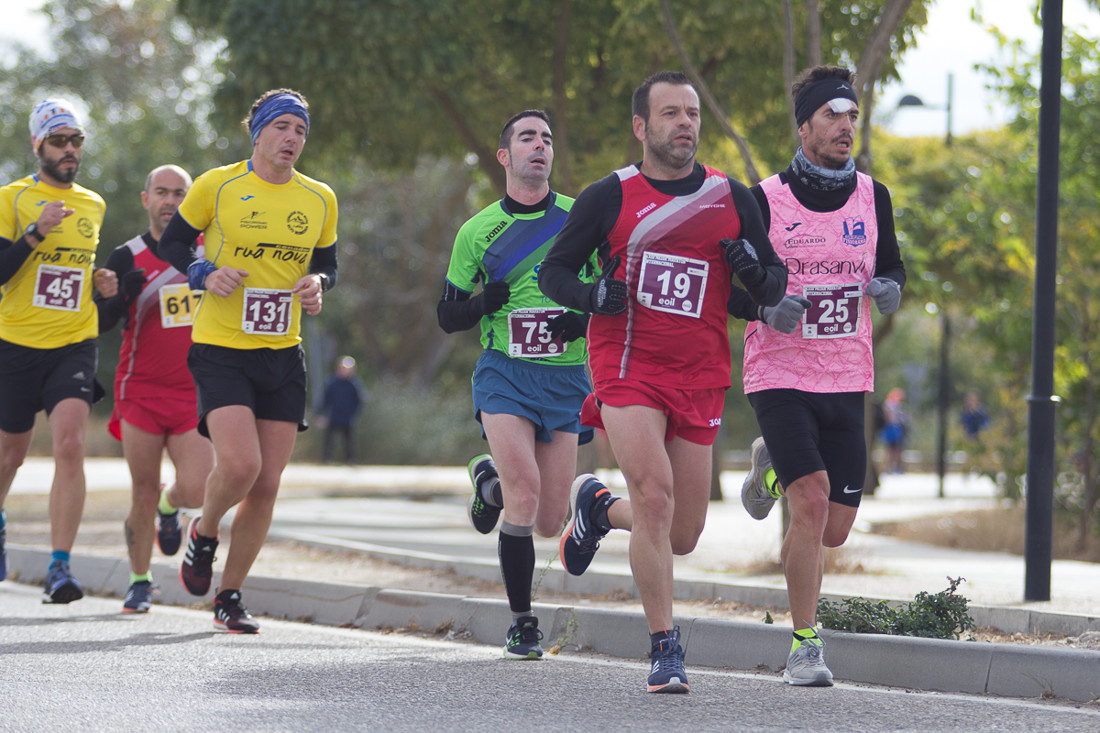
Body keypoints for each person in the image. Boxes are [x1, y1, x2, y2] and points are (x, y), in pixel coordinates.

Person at [539, 72, 786, 692]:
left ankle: (596, 508)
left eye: (693, 113)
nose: (686, 123)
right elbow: (555, 273)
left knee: (681, 532)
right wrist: (593, 294)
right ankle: (664, 648)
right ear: (641, 127)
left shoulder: (733, 197)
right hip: (627, 365)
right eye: (671, 113)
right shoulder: (610, 196)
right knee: (654, 496)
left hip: (700, 373)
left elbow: (774, 289)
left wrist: (755, 271)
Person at [731, 65, 906, 686]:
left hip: (846, 374)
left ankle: (770, 464)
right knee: (808, 506)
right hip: (779, 371)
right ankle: (805, 645)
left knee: (833, 527)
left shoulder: (873, 196)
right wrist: (763, 306)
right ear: (803, 126)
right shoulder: (763, 199)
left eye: (852, 115)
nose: (846, 126)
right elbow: (730, 290)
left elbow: (891, 266)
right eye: (832, 115)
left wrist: (890, 288)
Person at [159, 88, 338, 633]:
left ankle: (230, 596)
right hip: (221, 349)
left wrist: (317, 284)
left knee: (267, 484)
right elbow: (173, 243)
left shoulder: (320, 198)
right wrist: (203, 273)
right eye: (282, 127)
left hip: (283, 351)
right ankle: (204, 531)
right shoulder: (219, 185)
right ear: (257, 131)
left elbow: (327, 264)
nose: (291, 139)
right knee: (241, 466)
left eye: (300, 131)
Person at [437, 110, 596, 660]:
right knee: (525, 496)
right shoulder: (477, 231)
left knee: (549, 517)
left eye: (548, 138)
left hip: (566, 379)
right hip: (505, 373)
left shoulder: (581, 219)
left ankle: (488, 485)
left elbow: (613, 291)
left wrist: (585, 317)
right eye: (527, 137)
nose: (540, 145)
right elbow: (447, 315)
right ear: (505, 156)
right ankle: (523, 621)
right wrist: (485, 303)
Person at [0, 98, 118, 602]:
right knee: (10, 457)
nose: (70, 150)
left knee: (70, 444)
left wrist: (101, 284)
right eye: (59, 141)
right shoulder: (11, 198)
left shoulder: (93, 203)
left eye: (77, 141)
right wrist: (34, 234)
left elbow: (72, 274)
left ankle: (59, 567)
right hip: (16, 341)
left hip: (74, 341)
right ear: (38, 145)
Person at [94, 164, 215, 613]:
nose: (171, 201)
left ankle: (172, 505)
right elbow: (102, 322)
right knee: (141, 488)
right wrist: (119, 295)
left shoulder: (207, 252)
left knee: (198, 488)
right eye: (162, 193)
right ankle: (140, 580)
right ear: (146, 199)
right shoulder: (125, 255)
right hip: (139, 389)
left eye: (180, 193)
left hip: (194, 391)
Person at [317, 355, 364, 464]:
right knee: (329, 440)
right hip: (333, 416)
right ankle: (326, 460)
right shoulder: (332, 382)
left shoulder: (354, 384)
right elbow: (325, 399)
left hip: (348, 418)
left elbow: (360, 401)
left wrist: (355, 413)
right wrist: (321, 414)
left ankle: (350, 460)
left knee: (349, 442)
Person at [880, 387, 908, 473]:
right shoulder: (889, 404)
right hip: (891, 427)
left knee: (896, 449)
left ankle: (894, 467)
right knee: (891, 449)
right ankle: (889, 468)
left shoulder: (897, 405)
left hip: (895, 427)